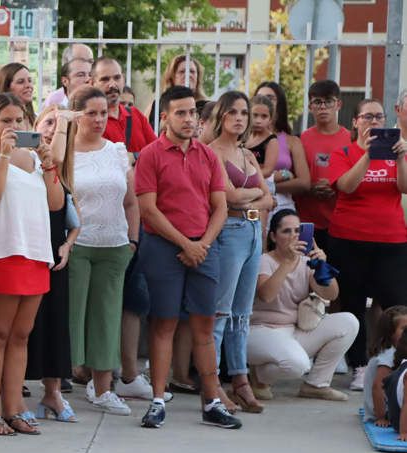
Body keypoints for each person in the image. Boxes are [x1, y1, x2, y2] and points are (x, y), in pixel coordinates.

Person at [134, 85, 241, 430]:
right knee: (164, 323)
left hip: (203, 249)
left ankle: (211, 401)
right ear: (164, 117)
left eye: (193, 112)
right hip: (164, 248)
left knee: (204, 325)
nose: (188, 119)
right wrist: (185, 244)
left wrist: (202, 245)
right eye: (180, 113)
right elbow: (148, 210)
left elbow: (220, 206)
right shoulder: (150, 155)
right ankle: (157, 401)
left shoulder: (207, 155)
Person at [0, 93, 64, 435]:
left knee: (21, 336)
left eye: (18, 120)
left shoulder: (33, 158)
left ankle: (14, 408)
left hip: (34, 252)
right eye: (5, 120)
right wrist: (4, 155)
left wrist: (50, 165)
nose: (13, 126)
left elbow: (55, 203)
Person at [64, 87, 140, 415]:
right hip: (78, 245)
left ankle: (103, 389)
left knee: (108, 317)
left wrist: (133, 240)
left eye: (103, 112)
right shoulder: (64, 152)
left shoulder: (117, 151)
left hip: (115, 245)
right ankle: (59, 385)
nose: (98, 119)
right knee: (72, 316)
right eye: (90, 112)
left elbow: (131, 201)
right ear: (75, 114)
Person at [326, 98, 407, 391]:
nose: (374, 122)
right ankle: (358, 365)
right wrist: (367, 155)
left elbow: (404, 187)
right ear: (355, 122)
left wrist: (399, 159)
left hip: (392, 239)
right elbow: (346, 186)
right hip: (349, 239)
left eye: (379, 116)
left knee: (398, 304)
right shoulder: (343, 151)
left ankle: (397, 363)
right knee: (353, 304)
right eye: (368, 117)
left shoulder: (397, 152)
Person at [208, 91, 274, 414]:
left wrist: (249, 197)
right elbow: (229, 196)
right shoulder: (213, 152)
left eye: (244, 113)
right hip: (230, 231)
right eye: (232, 112)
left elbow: (269, 199)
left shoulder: (247, 155)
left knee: (242, 313)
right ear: (221, 116)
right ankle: (214, 383)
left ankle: (241, 379)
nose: (239, 118)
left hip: (251, 233)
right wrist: (251, 196)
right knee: (221, 311)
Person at [246, 209, 357, 401]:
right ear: (273, 236)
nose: (293, 236)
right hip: (260, 331)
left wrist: (322, 265)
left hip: (293, 330)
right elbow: (266, 295)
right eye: (286, 231)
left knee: (348, 321)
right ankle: (259, 377)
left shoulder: (306, 262)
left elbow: (331, 294)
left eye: (298, 231)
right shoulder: (263, 260)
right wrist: (288, 263)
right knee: (299, 365)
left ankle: (316, 384)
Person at [26, 104, 79, 422]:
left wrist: (68, 246)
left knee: (56, 322)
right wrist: (63, 123)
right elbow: (53, 157)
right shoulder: (25, 160)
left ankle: (53, 392)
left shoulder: (63, 169)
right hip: (26, 246)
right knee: (22, 326)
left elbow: (75, 218)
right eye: (48, 122)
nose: (51, 129)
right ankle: (13, 391)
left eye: (59, 127)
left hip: (55, 251)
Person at [292, 80, 350, 252]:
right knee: (307, 274)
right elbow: (292, 178)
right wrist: (310, 188)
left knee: (338, 275)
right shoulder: (300, 140)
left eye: (328, 101)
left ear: (338, 104)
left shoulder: (350, 139)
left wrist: (336, 187)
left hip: (341, 222)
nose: (323, 107)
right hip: (306, 222)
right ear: (310, 106)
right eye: (318, 102)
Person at [254, 81, 310, 215]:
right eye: (259, 97)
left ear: (280, 104)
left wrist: (269, 187)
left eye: (270, 98)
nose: (264, 101)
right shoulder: (242, 139)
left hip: (282, 208)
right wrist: (283, 175)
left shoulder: (292, 141)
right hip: (252, 205)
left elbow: (304, 183)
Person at [93, 58, 156, 156]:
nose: (112, 84)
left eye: (117, 78)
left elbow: (156, 152)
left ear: (123, 79)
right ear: (92, 83)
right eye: (105, 79)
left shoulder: (135, 114)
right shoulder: (89, 120)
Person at [363, 306, 407, 425]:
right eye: (404, 328)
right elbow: (377, 387)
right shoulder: (389, 354)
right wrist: (381, 417)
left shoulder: (395, 350)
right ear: (390, 333)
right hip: (386, 412)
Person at [147, 55, 208, 130]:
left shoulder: (207, 107)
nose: (188, 75)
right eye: (182, 72)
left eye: (192, 71)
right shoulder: (155, 107)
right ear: (172, 77)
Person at [41, 43, 93, 109]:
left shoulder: (101, 96)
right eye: (80, 60)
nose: (87, 65)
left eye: (90, 61)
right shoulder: (54, 100)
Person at [245, 95, 278, 178]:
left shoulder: (271, 141)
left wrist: (245, 177)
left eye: (264, 116)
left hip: (262, 184)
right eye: (255, 115)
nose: (258, 121)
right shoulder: (243, 137)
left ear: (270, 119)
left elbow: (268, 171)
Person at [0, 63, 36, 127]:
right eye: (21, 82)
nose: (28, 85)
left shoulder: (37, 119)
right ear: (7, 87)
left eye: (30, 80)